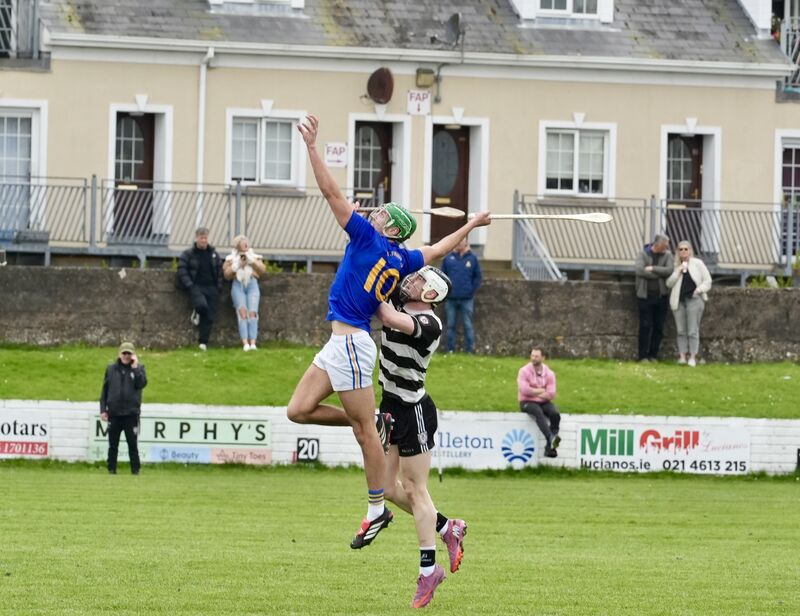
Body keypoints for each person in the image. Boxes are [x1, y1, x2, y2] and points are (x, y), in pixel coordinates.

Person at [286, 114, 491, 550]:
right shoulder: (402, 260)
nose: (371, 214)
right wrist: (471, 225)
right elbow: (435, 249)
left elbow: (330, 192)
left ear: (392, 228)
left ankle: (376, 509)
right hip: (338, 342)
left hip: (355, 342)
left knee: (365, 435)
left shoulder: (366, 239)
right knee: (299, 410)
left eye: (380, 214)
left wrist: (311, 149)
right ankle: (375, 423)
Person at [375, 266, 468, 608]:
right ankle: (447, 527)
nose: (407, 281)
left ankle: (429, 570)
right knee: (385, 489)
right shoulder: (399, 306)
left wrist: (365, 276)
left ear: (429, 294)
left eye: (416, 281)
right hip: (388, 407)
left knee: (415, 490)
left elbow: (382, 311)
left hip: (413, 411)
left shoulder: (430, 323)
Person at [100, 342, 147, 475]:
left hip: (131, 414)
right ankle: (111, 469)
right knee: (113, 445)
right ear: (119, 354)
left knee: (132, 444)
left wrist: (136, 368)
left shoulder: (139, 368)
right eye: (124, 353)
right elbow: (105, 390)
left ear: (133, 355)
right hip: (114, 413)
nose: (126, 356)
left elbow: (142, 383)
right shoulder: (111, 369)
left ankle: (135, 470)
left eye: (129, 353)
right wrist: (103, 409)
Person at [666, 240, 712, 367]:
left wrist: (699, 290)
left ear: (690, 251)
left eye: (686, 249)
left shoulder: (698, 263)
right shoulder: (676, 265)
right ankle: (682, 356)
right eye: (681, 249)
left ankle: (692, 356)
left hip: (694, 300)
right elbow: (669, 283)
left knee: (692, 330)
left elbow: (707, 281)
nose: (683, 251)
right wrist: (678, 271)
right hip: (679, 301)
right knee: (681, 330)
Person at [177, 227, 223, 351]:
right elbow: (182, 269)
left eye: (205, 238)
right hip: (196, 287)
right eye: (201, 238)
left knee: (209, 317)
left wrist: (218, 287)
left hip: (211, 288)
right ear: (196, 238)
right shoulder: (188, 254)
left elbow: (219, 271)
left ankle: (203, 343)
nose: (204, 240)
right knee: (202, 306)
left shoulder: (214, 254)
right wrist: (190, 285)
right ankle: (196, 311)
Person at [223, 234, 266, 352]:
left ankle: (253, 342)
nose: (246, 245)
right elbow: (226, 274)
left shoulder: (254, 256)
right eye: (243, 243)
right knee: (242, 312)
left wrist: (251, 261)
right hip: (238, 284)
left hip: (252, 284)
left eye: (247, 242)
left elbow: (262, 270)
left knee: (252, 312)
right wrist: (238, 265)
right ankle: (245, 343)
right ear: (238, 246)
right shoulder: (231, 258)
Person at [634, 233, 673, 362]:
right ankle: (643, 356)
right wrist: (658, 275)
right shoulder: (643, 254)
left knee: (659, 327)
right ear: (658, 244)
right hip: (645, 297)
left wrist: (653, 268)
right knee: (645, 326)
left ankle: (653, 355)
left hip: (661, 297)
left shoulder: (667, 255)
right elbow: (639, 271)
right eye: (665, 245)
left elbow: (669, 270)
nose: (667, 247)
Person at [517, 346, 561, 458]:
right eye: (532, 355)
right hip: (527, 402)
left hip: (543, 402)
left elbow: (551, 394)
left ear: (543, 358)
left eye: (536, 356)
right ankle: (551, 438)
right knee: (537, 411)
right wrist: (542, 391)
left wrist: (534, 392)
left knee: (555, 413)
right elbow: (524, 390)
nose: (533, 358)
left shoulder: (550, 374)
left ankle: (549, 447)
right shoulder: (524, 371)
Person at [440, 236, 482, 353]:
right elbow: (442, 276)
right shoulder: (448, 259)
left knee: (468, 325)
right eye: (457, 242)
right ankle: (450, 350)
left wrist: (470, 291)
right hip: (451, 299)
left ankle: (469, 350)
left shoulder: (472, 259)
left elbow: (477, 278)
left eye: (461, 242)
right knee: (450, 325)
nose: (459, 244)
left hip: (467, 299)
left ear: (466, 243)